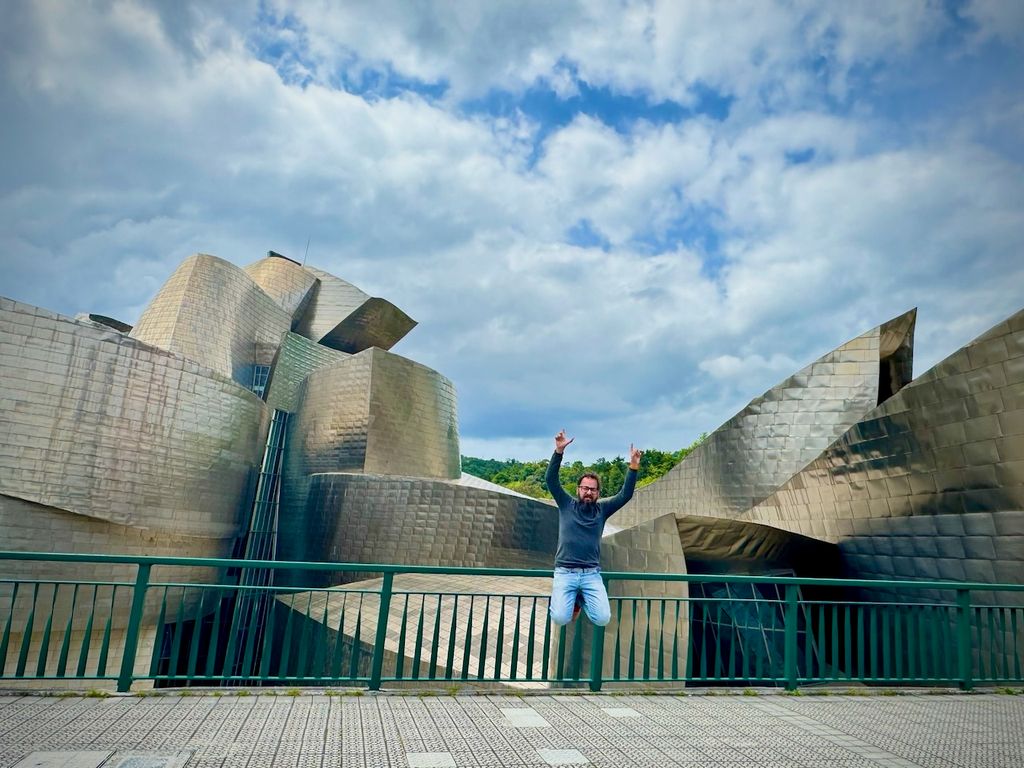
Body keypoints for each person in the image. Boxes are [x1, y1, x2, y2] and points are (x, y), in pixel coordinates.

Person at [545, 429, 642, 626]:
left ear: (598, 492)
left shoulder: (602, 510)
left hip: (591, 574)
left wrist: (633, 466)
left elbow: (625, 495)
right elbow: (551, 481)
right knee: (560, 618)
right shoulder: (566, 504)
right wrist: (558, 452)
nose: (588, 492)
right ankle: (569, 600)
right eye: (585, 488)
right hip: (565, 572)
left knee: (602, 619)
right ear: (578, 490)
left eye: (593, 489)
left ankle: (579, 600)